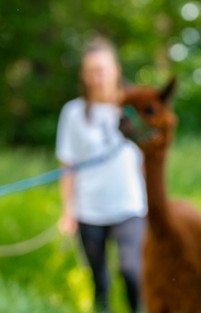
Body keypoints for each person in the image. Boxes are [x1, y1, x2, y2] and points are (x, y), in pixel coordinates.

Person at [57, 37, 147, 313]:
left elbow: (149, 158)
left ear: (116, 70)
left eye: (103, 69)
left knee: (131, 272)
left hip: (129, 206)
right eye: (91, 71)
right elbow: (67, 166)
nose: (98, 77)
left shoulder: (135, 108)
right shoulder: (73, 113)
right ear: (84, 76)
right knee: (100, 282)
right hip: (89, 211)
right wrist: (67, 212)